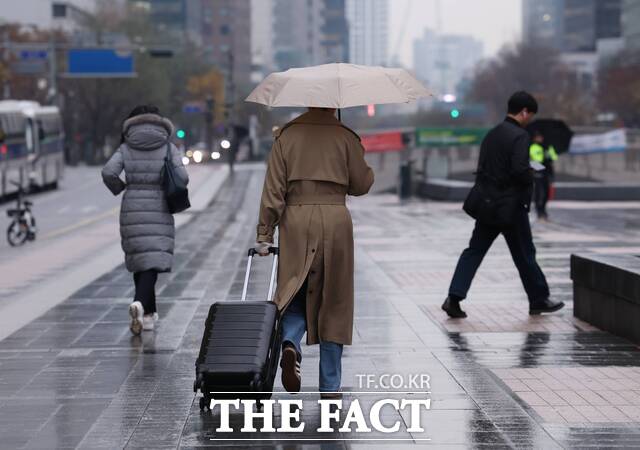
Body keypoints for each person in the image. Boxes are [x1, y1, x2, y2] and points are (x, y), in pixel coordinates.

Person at [255, 107, 374, 399]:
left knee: (294, 292)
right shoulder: (345, 135)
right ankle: (330, 386)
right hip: (335, 220)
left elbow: (273, 190)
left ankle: (290, 343)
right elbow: (361, 184)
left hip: (295, 221)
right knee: (334, 301)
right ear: (334, 104)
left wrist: (264, 234)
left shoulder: (287, 136)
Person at [442, 91, 564, 318]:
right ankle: (539, 299)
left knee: (474, 251)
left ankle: (454, 297)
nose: (530, 120)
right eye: (530, 115)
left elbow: (486, 167)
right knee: (525, 254)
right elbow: (518, 170)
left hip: (488, 205)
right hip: (511, 206)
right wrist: (530, 173)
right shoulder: (520, 136)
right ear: (524, 111)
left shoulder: (492, 134)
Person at [102, 105, 189, 335]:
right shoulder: (168, 147)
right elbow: (183, 176)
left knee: (140, 260)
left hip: (131, 205)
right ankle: (140, 303)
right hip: (159, 205)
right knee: (152, 261)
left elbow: (108, 172)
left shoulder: (125, 146)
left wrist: (121, 187)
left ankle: (148, 315)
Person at [530, 132, 558, 221]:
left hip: (547, 171)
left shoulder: (548, 147)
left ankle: (543, 210)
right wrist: (542, 157)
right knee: (539, 192)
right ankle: (539, 211)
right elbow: (535, 160)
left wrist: (549, 154)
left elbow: (554, 157)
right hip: (538, 171)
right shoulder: (533, 146)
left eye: (541, 137)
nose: (540, 139)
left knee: (546, 192)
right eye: (538, 137)